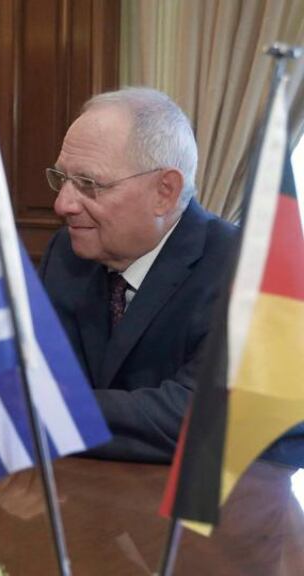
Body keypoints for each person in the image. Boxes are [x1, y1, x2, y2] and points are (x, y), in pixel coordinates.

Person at [37, 87, 238, 463]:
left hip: (202, 510)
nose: (62, 204)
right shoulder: (66, 253)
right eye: (61, 179)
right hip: (80, 491)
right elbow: (38, 376)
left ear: (165, 191)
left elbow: (197, 418)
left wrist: (48, 412)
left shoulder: (242, 267)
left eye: (88, 184)